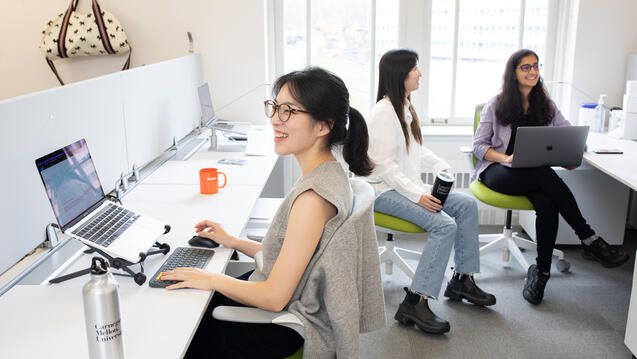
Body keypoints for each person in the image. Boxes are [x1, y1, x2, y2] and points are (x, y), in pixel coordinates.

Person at [160, 67, 385, 358]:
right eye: (275, 107)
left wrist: (213, 279)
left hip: (275, 327)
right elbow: (294, 257)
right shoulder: (328, 174)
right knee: (195, 294)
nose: (275, 120)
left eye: (289, 111)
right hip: (282, 302)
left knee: (183, 324)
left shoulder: (314, 199)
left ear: (323, 126)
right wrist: (234, 241)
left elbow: (274, 297)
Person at [472, 48, 629, 305]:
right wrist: (506, 158)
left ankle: (541, 273)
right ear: (513, 73)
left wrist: (575, 151)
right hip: (497, 171)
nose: (533, 71)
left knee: (547, 204)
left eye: (536, 66)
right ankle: (590, 239)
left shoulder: (546, 105)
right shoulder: (496, 105)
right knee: (546, 178)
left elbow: (567, 134)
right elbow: (479, 146)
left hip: (532, 173)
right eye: (526, 67)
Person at [367, 48, 495, 335]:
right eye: (415, 68)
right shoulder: (383, 114)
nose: (420, 73)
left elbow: (416, 150)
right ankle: (415, 301)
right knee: (444, 225)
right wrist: (419, 195)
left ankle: (462, 279)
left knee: (466, 205)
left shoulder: (405, 106)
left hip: (404, 185)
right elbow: (386, 168)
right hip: (384, 191)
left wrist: (440, 166)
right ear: (401, 74)